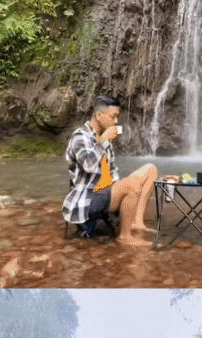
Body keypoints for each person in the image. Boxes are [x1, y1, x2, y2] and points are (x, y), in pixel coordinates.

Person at [61, 97, 158, 245]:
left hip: (107, 192)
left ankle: (136, 222)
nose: (116, 122)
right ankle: (124, 236)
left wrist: (121, 189)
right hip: (88, 198)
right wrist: (103, 141)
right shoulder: (80, 137)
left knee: (150, 170)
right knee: (130, 186)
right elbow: (88, 165)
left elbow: (112, 172)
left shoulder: (104, 137)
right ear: (99, 116)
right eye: (113, 117)